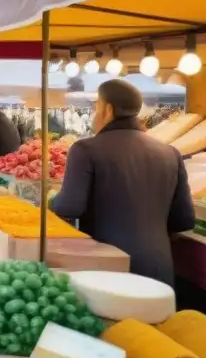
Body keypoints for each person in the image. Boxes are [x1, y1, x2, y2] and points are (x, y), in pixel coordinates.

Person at [51, 79, 195, 286]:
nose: (93, 113)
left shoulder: (86, 150)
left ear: (108, 109)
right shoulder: (170, 153)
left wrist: (50, 201)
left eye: (96, 105)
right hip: (158, 270)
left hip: (108, 265)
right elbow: (184, 220)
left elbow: (68, 207)